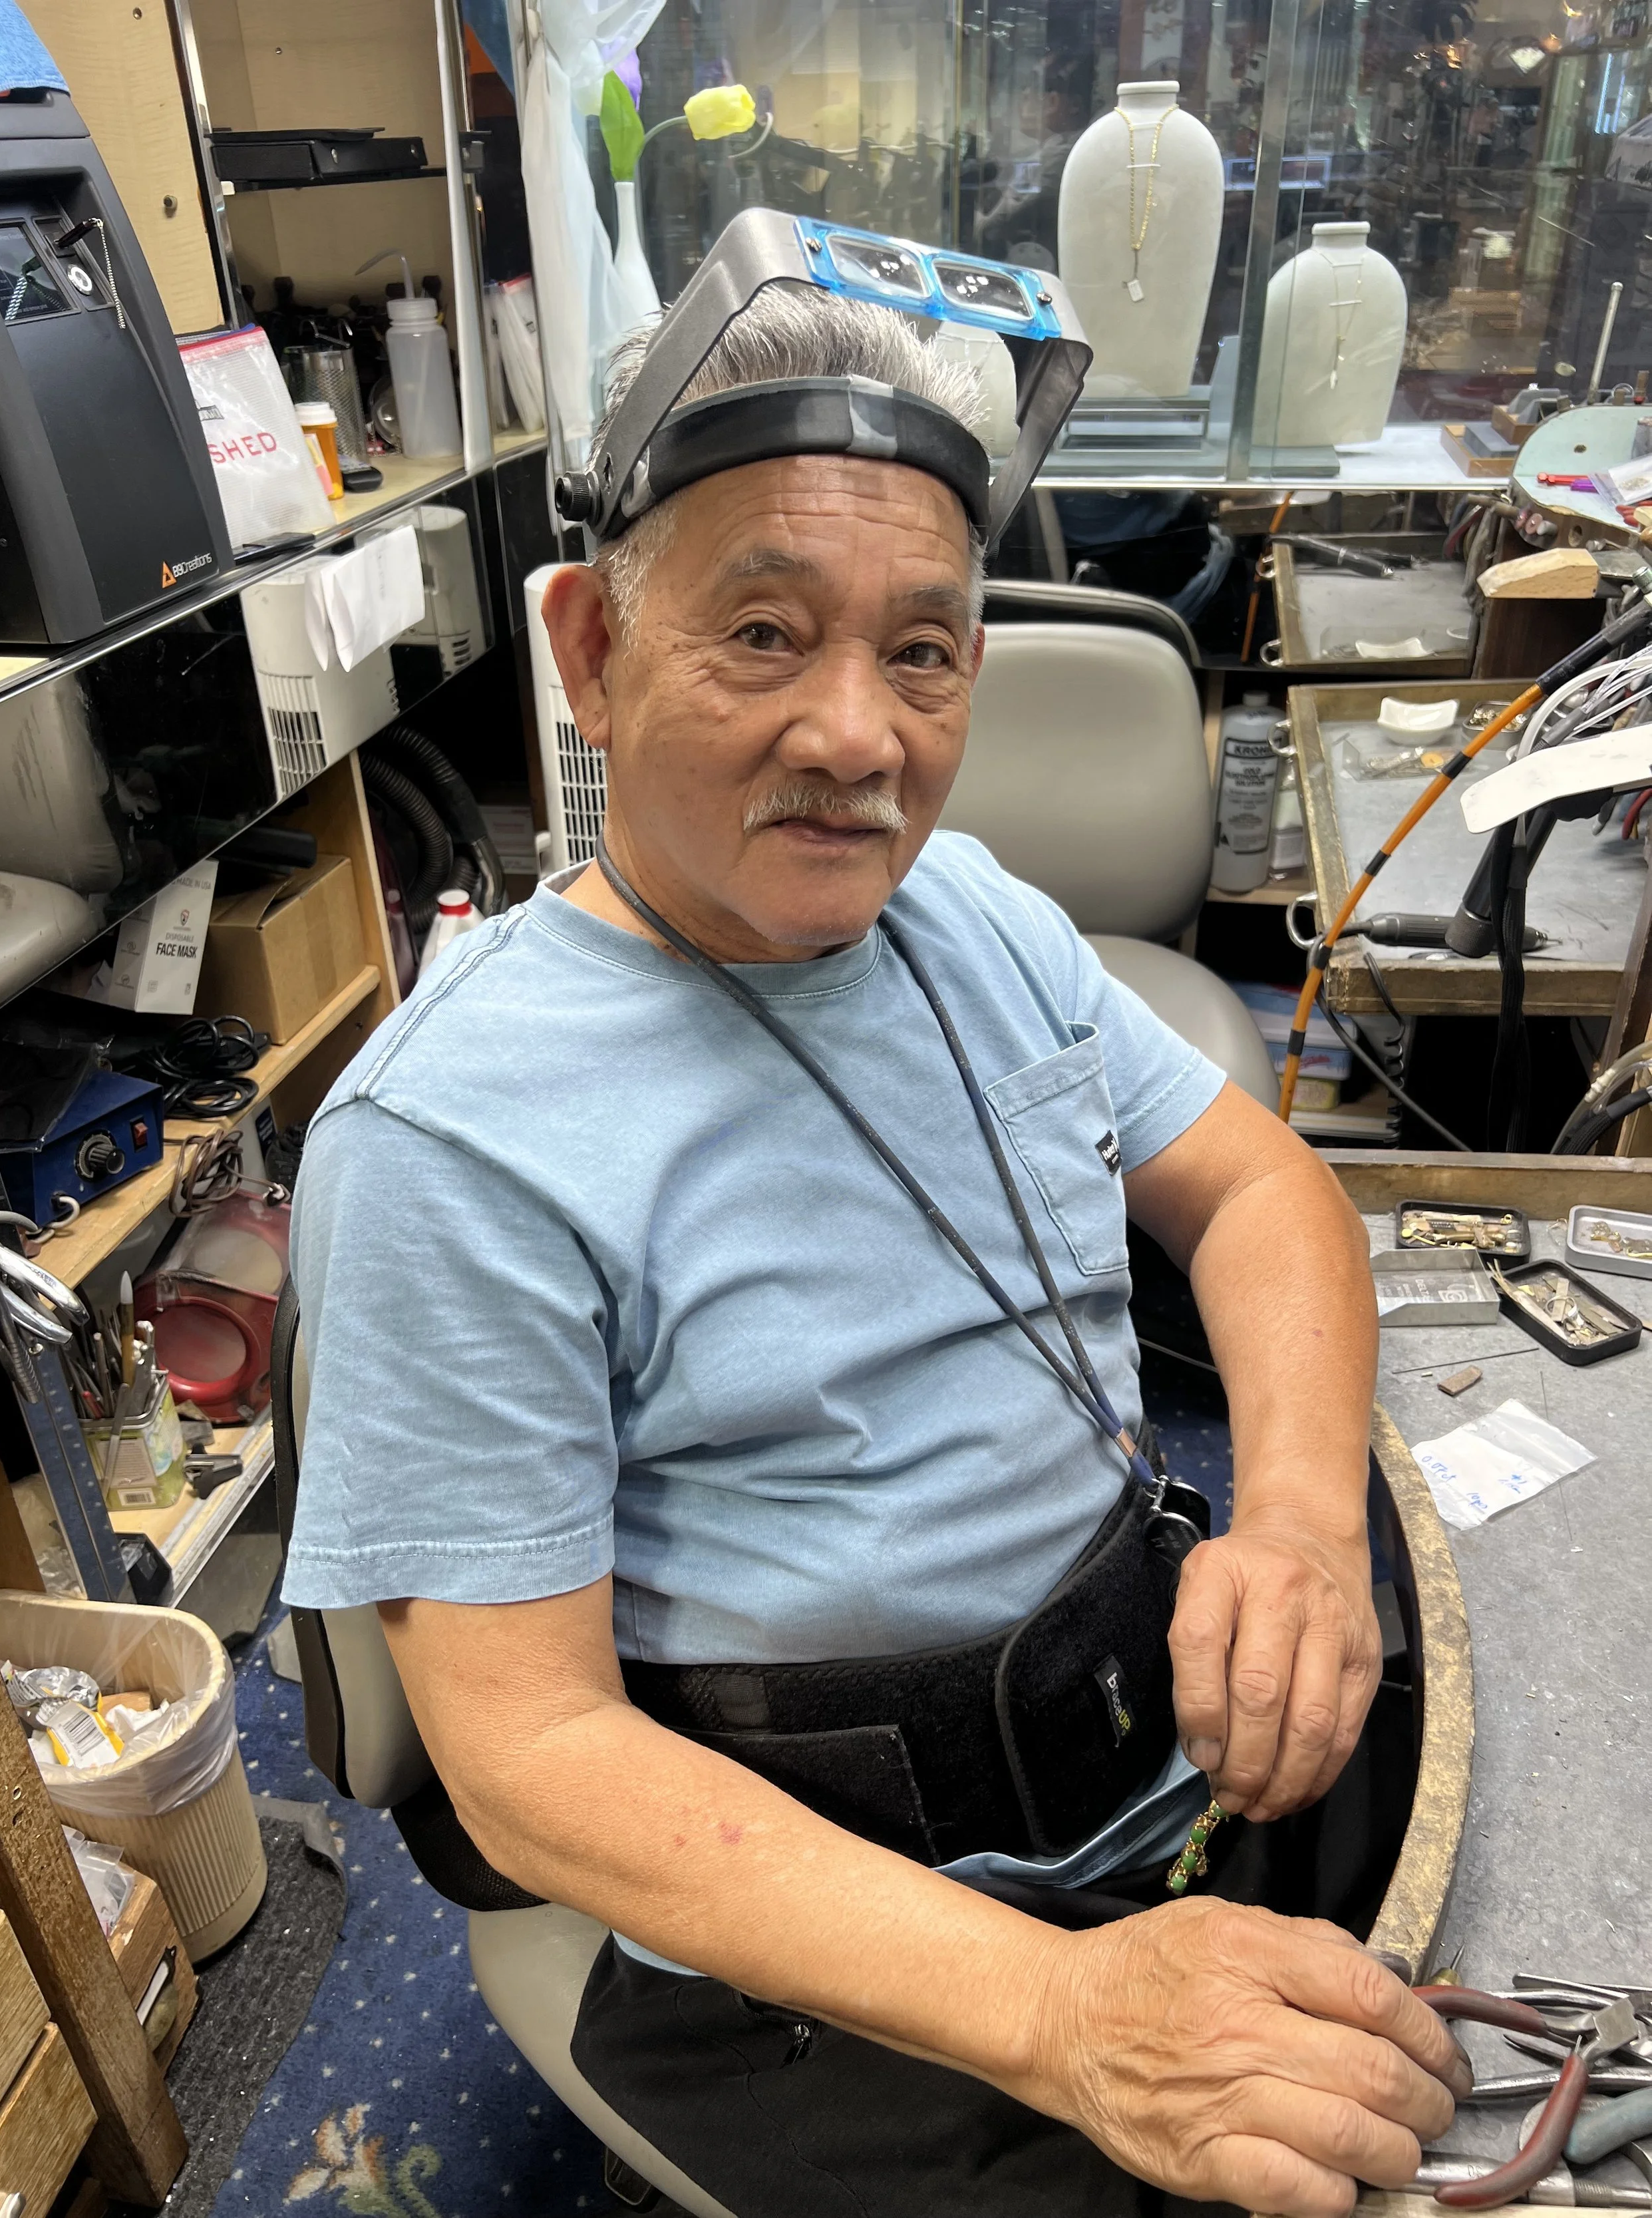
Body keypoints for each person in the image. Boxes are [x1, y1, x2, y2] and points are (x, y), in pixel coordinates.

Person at [282, 283, 1466, 2217]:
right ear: (590, 655)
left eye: (919, 653)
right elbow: (528, 1753)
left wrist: (1298, 1527)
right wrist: (1064, 2010)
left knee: (1503, 1955)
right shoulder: (452, 1143)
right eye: (762, 633)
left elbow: (1263, 1192)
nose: (857, 736)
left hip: (1139, 1736)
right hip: (803, 1925)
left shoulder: (975, 915)